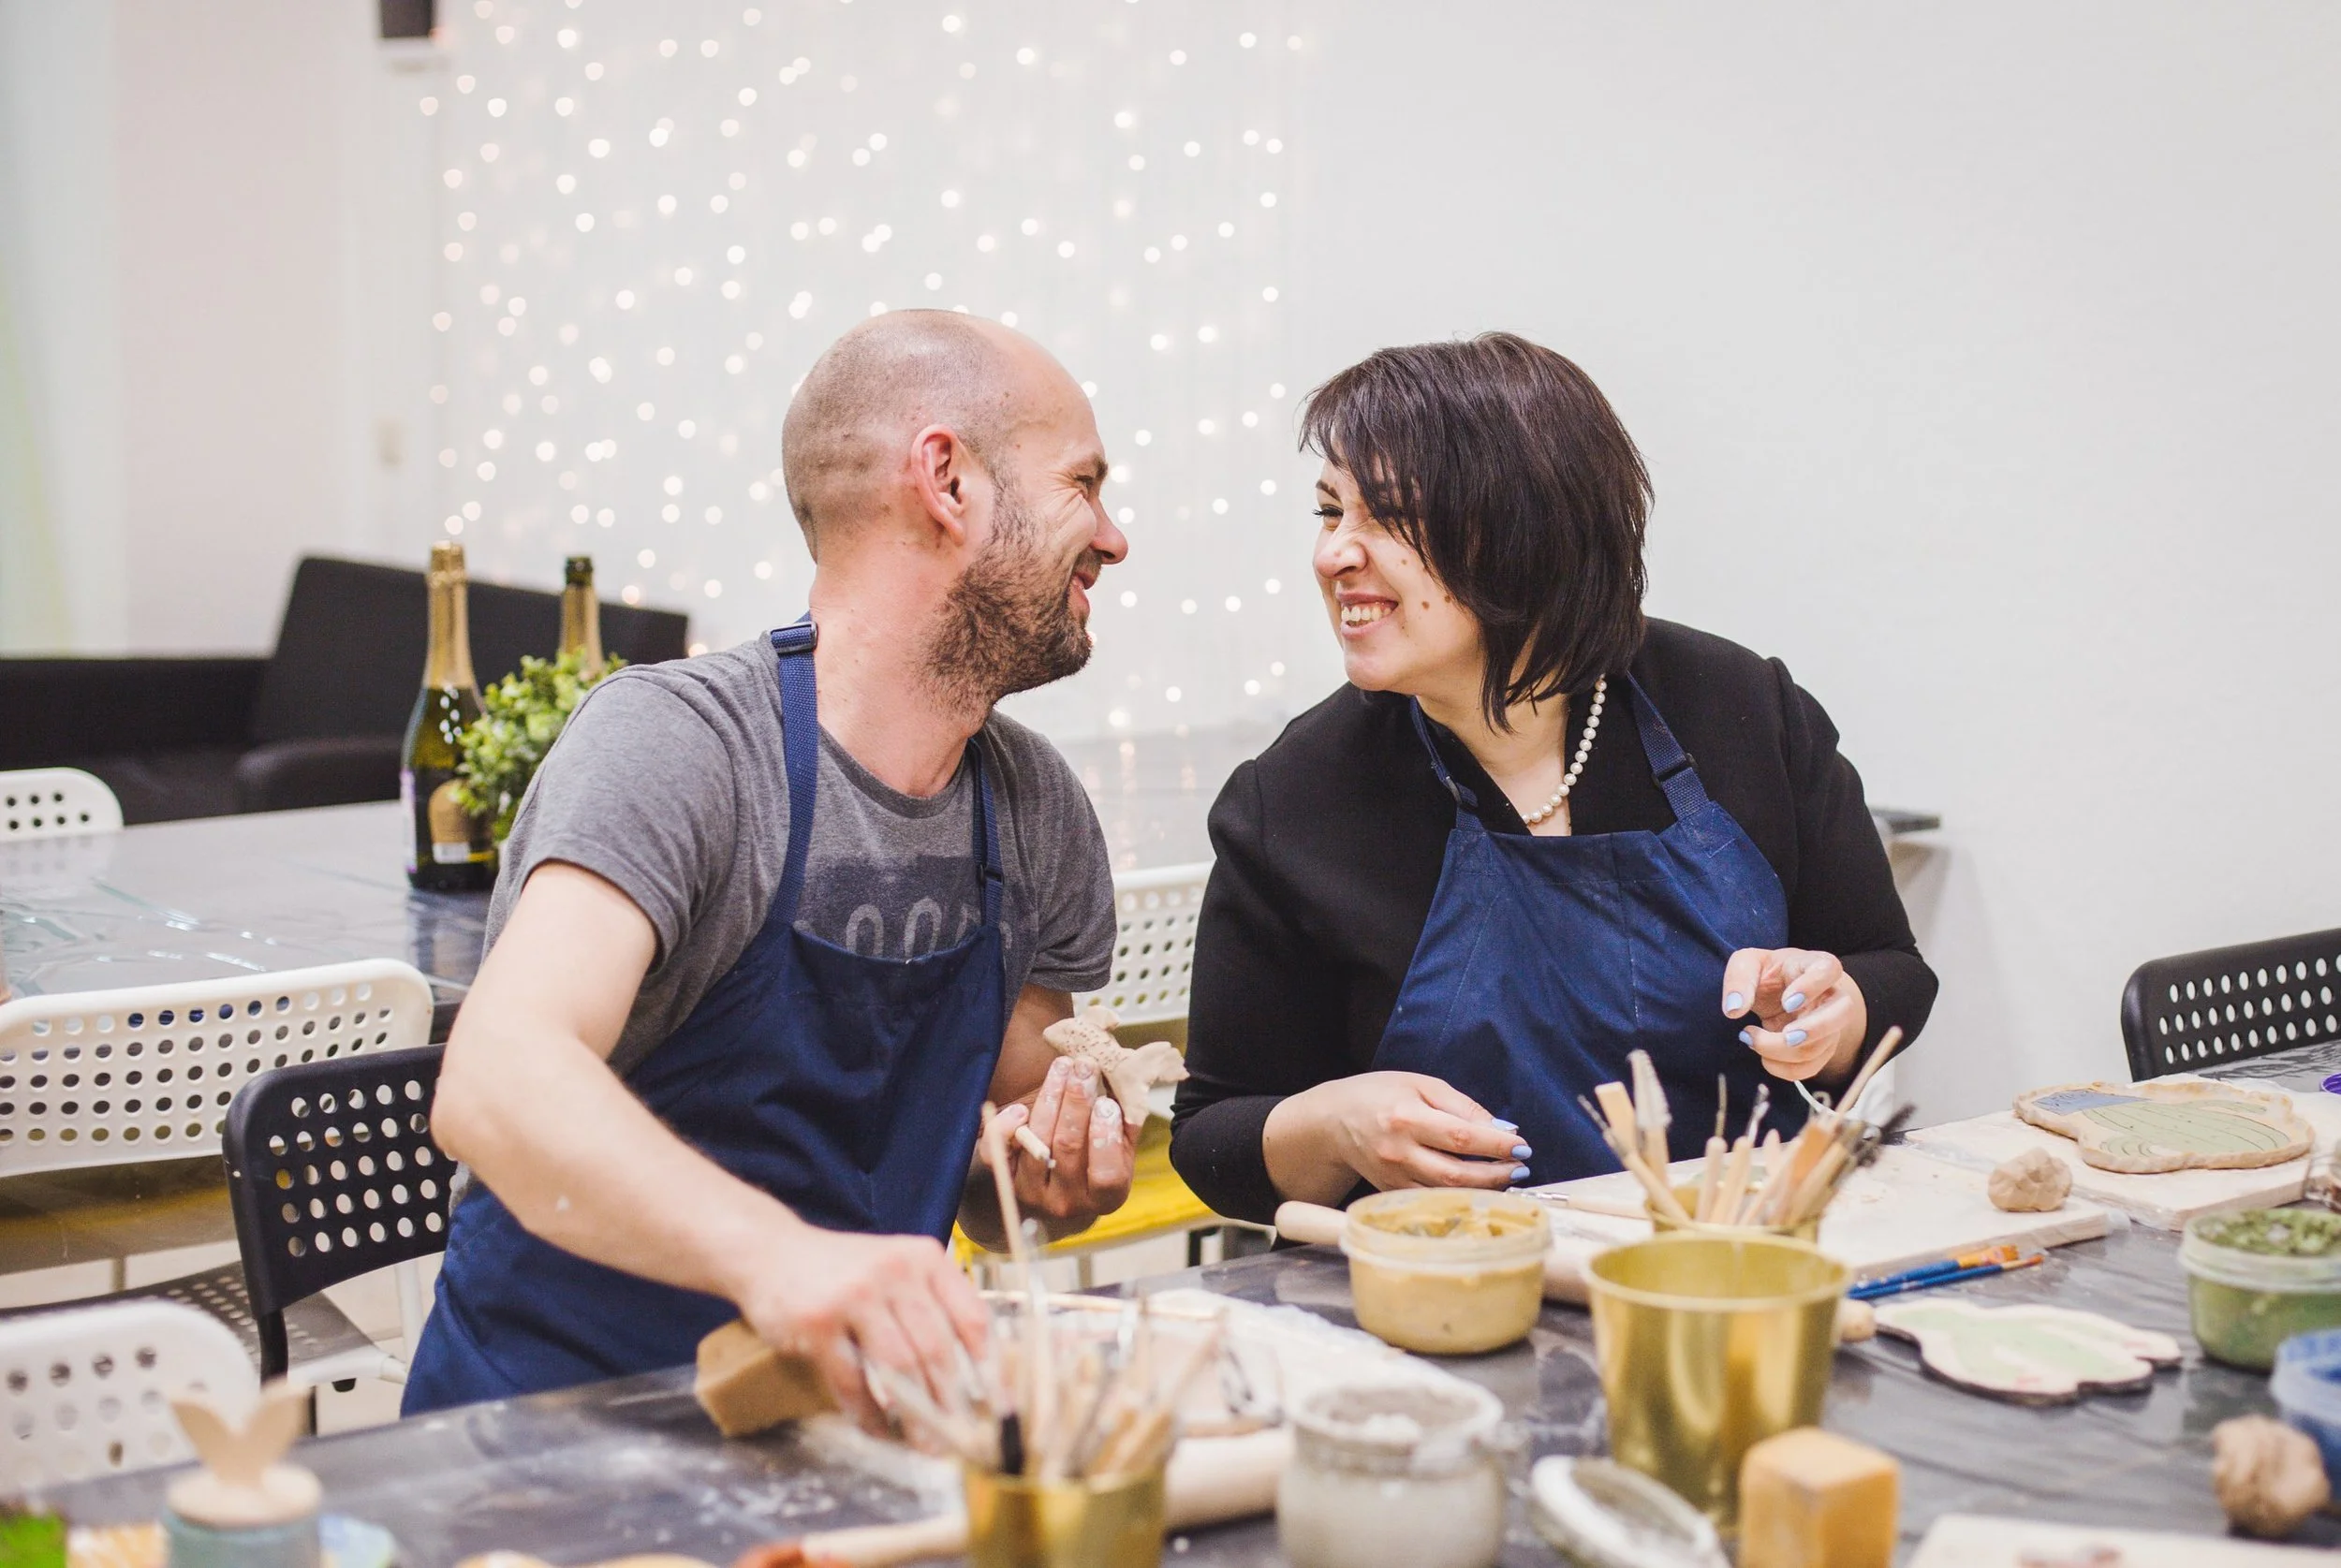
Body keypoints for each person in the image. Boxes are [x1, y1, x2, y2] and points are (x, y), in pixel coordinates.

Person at [405, 312, 1134, 1421]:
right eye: (1083, 483)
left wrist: (1047, 1180)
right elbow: (496, 1081)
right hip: (542, 1437)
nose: (1113, 536)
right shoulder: (680, 746)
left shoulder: (1036, 811)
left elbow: (1002, 1172)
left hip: (847, 1438)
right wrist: (782, 1259)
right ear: (947, 480)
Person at [1170, 333, 1937, 1221]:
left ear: (1525, 531)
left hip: (1730, 1269)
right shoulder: (1296, 800)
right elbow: (1212, 1135)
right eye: (1328, 513)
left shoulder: (1741, 709)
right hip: (1449, 1301)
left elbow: (1891, 970)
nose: (1334, 554)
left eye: (1384, 517)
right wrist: (1333, 1125)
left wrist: (1835, 1018)